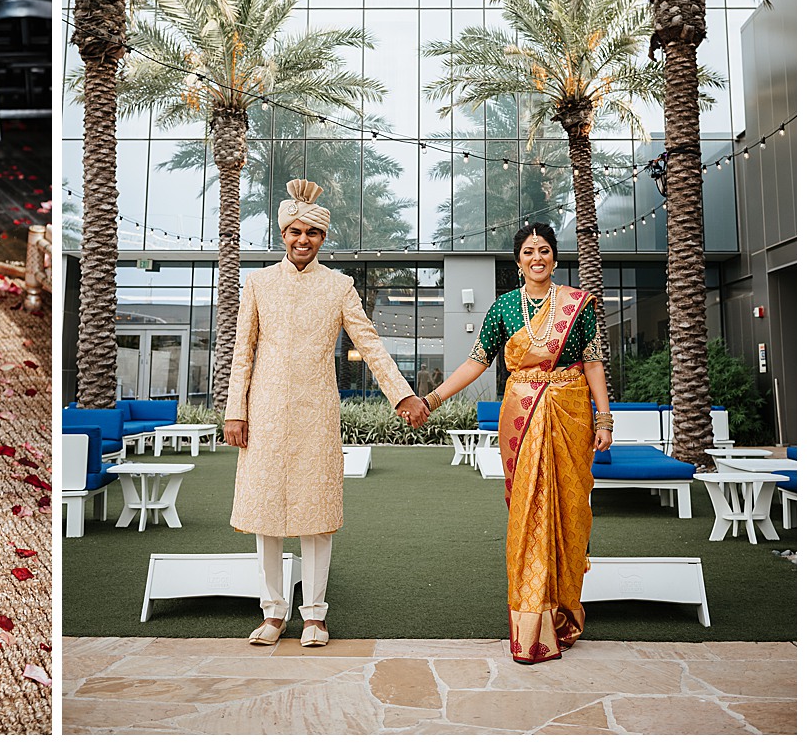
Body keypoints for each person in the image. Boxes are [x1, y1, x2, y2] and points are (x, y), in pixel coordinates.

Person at [223, 179, 429, 648]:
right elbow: (242, 353)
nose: (302, 240)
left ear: (322, 238)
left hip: (317, 411)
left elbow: (370, 344)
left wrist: (402, 395)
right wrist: (236, 412)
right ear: (283, 234)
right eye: (294, 231)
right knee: (266, 514)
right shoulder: (258, 284)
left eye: (311, 233)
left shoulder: (339, 286)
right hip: (265, 411)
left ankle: (314, 614)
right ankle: (273, 613)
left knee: (316, 515)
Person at [419, 221, 612, 664]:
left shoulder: (577, 306)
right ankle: (531, 619)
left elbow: (594, 364)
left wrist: (604, 418)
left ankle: (562, 612)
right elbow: (476, 363)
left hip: (571, 410)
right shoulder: (503, 307)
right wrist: (432, 398)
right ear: (518, 261)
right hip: (522, 415)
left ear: (555, 258)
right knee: (529, 511)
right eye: (528, 252)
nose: (537, 258)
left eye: (544, 250)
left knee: (568, 510)